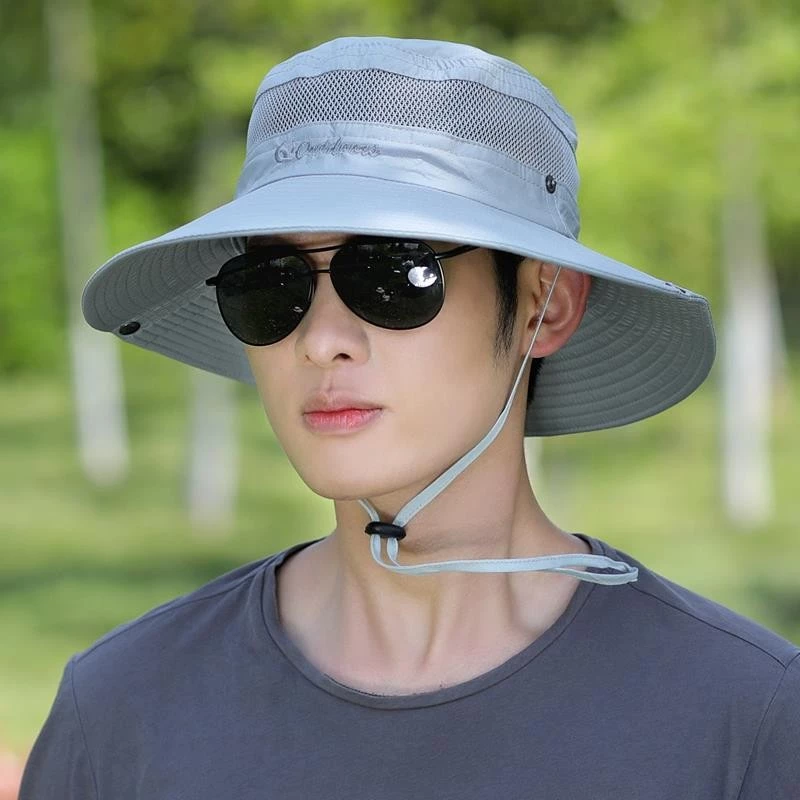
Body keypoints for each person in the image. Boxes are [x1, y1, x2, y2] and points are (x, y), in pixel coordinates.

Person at [20, 35, 799, 799]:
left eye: (393, 273)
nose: (321, 341)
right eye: (272, 283)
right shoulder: (124, 714)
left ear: (546, 304)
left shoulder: (742, 720)